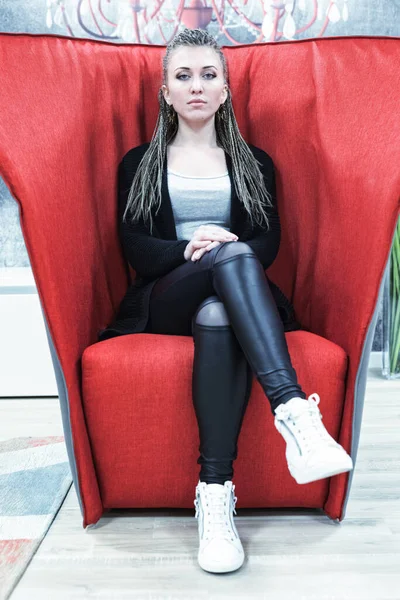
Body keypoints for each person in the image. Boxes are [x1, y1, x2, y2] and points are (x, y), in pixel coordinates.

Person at [98, 28, 353, 574]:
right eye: (183, 76)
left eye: (208, 75)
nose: (196, 86)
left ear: (225, 89)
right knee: (227, 256)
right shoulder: (138, 163)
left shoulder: (254, 163)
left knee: (220, 302)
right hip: (165, 297)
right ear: (165, 92)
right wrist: (193, 248)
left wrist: (228, 248)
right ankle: (291, 408)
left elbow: (268, 241)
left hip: (228, 302)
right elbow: (136, 247)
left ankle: (215, 497)